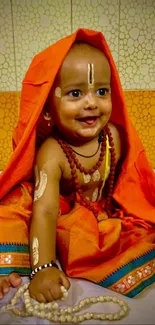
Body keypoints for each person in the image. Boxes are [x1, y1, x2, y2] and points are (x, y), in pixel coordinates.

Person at [0, 28, 155, 302]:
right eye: (75, 93)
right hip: (61, 211)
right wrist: (43, 268)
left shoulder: (116, 138)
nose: (91, 103)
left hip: (100, 210)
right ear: (47, 109)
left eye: (102, 91)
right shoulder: (52, 154)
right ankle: (9, 267)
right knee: (13, 214)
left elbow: (132, 182)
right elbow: (46, 212)